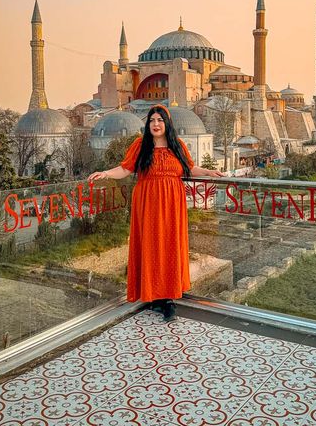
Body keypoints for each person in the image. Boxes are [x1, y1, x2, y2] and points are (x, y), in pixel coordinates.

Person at [88, 104, 224, 321]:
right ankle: (152, 295)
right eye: (152, 120)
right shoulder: (140, 145)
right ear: (148, 124)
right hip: (148, 202)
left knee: (170, 245)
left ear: (167, 123)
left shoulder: (176, 145)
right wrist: (105, 173)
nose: (156, 124)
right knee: (151, 245)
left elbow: (188, 168)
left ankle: (168, 298)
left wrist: (208, 171)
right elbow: (125, 169)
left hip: (172, 203)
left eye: (160, 120)